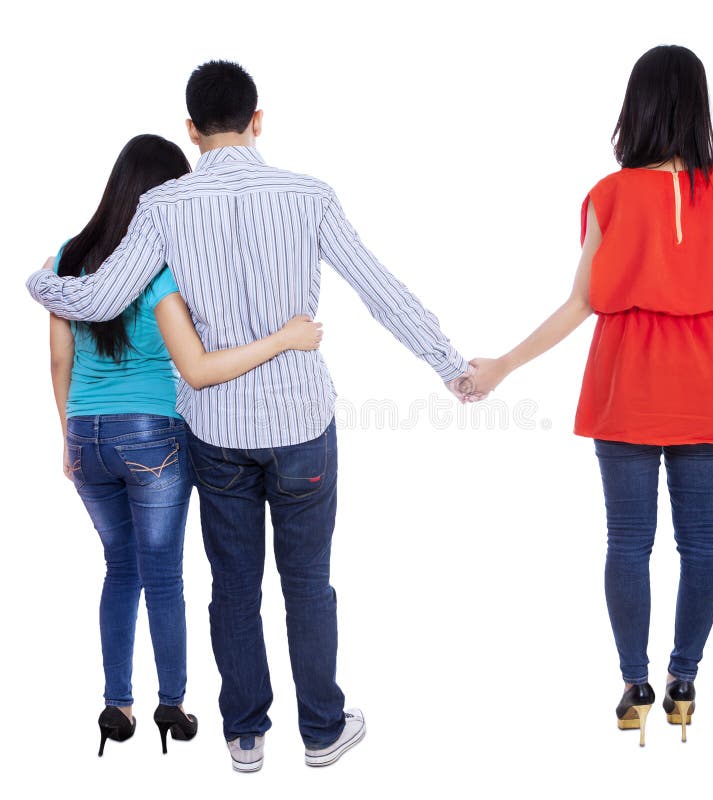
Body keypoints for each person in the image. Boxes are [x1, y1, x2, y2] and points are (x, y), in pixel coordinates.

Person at [28, 61, 472, 772]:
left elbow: (100, 297)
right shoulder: (309, 195)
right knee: (308, 581)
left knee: (232, 584)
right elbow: (379, 289)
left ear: (192, 130)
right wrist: (449, 364)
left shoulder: (163, 208)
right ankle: (323, 730)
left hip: (215, 432)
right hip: (302, 427)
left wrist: (37, 278)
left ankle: (244, 735)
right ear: (257, 119)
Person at [466, 45, 713, 746]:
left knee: (629, 541)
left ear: (639, 106)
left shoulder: (610, 193)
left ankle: (636, 684)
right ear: (699, 104)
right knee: (704, 538)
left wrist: (505, 363)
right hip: (706, 381)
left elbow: (581, 305)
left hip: (628, 381)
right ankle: (684, 681)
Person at [47, 133, 324, 758]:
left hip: (86, 436)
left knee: (120, 570)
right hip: (153, 434)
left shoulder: (68, 255)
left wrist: (68, 434)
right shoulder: (161, 263)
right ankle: (172, 704)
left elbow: (59, 357)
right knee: (165, 576)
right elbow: (196, 366)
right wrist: (283, 338)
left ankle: (117, 706)